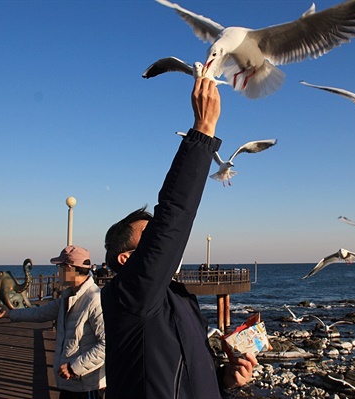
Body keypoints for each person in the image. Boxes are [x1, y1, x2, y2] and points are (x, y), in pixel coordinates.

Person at [101, 77, 257, 399]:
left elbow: (183, 374)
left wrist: (223, 381)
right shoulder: (128, 296)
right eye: (150, 234)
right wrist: (202, 131)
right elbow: (172, 219)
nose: (159, 237)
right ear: (126, 258)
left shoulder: (179, 299)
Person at [0, 245, 106, 398]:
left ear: (69, 268)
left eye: (59, 267)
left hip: (86, 385)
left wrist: (75, 368)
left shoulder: (94, 299)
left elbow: (107, 343)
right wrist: (9, 314)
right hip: (70, 381)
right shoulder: (69, 295)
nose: (58, 272)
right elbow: (39, 313)